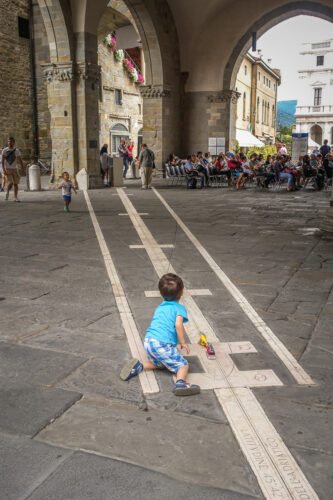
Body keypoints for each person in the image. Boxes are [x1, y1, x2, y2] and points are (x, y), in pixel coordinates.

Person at [120, 273, 200, 396]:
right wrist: (183, 342)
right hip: (161, 344)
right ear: (182, 291)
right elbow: (179, 325)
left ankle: (139, 366)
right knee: (183, 365)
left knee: (161, 364)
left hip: (149, 341)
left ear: (160, 293)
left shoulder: (160, 307)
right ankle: (180, 383)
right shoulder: (179, 308)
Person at [2, 137, 24, 202]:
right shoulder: (5, 150)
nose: (10, 142)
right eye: (9, 141)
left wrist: (22, 168)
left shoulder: (17, 150)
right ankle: (7, 192)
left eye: (11, 141)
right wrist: (3, 169)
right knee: (10, 182)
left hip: (14, 168)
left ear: (14, 142)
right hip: (7, 168)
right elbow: (3, 161)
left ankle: (15, 197)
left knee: (16, 183)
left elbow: (20, 160)